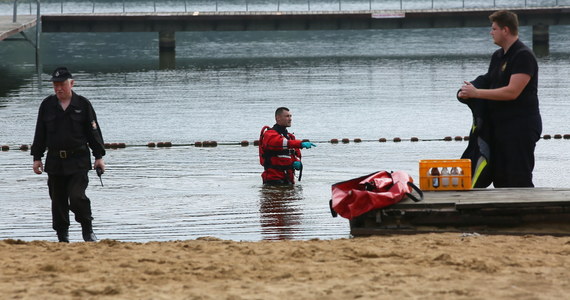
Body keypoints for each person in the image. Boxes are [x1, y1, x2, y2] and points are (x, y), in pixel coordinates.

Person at [458, 10, 542, 187]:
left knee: (518, 176)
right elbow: (487, 80)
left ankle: (526, 211)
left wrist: (477, 93)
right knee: (501, 178)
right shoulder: (498, 56)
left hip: (521, 126)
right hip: (500, 127)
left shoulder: (523, 55)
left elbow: (512, 92)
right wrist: (466, 90)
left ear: (505, 30)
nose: (491, 32)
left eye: (494, 28)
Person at [31, 67, 106, 242]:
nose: (58, 88)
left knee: (77, 197)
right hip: (55, 161)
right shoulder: (47, 105)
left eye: (62, 84)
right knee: (58, 201)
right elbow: (40, 133)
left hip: (78, 160)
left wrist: (99, 157)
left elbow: (93, 133)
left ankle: (87, 231)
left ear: (71, 84)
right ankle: (62, 237)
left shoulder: (83, 104)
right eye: (55, 85)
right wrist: (36, 158)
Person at [259, 107, 316, 185]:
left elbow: (296, 154)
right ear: (278, 118)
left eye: (290, 116)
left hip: (288, 178)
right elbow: (279, 143)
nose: (290, 119)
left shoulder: (290, 137)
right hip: (273, 179)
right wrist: (300, 144)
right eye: (287, 116)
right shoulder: (269, 134)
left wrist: (297, 162)